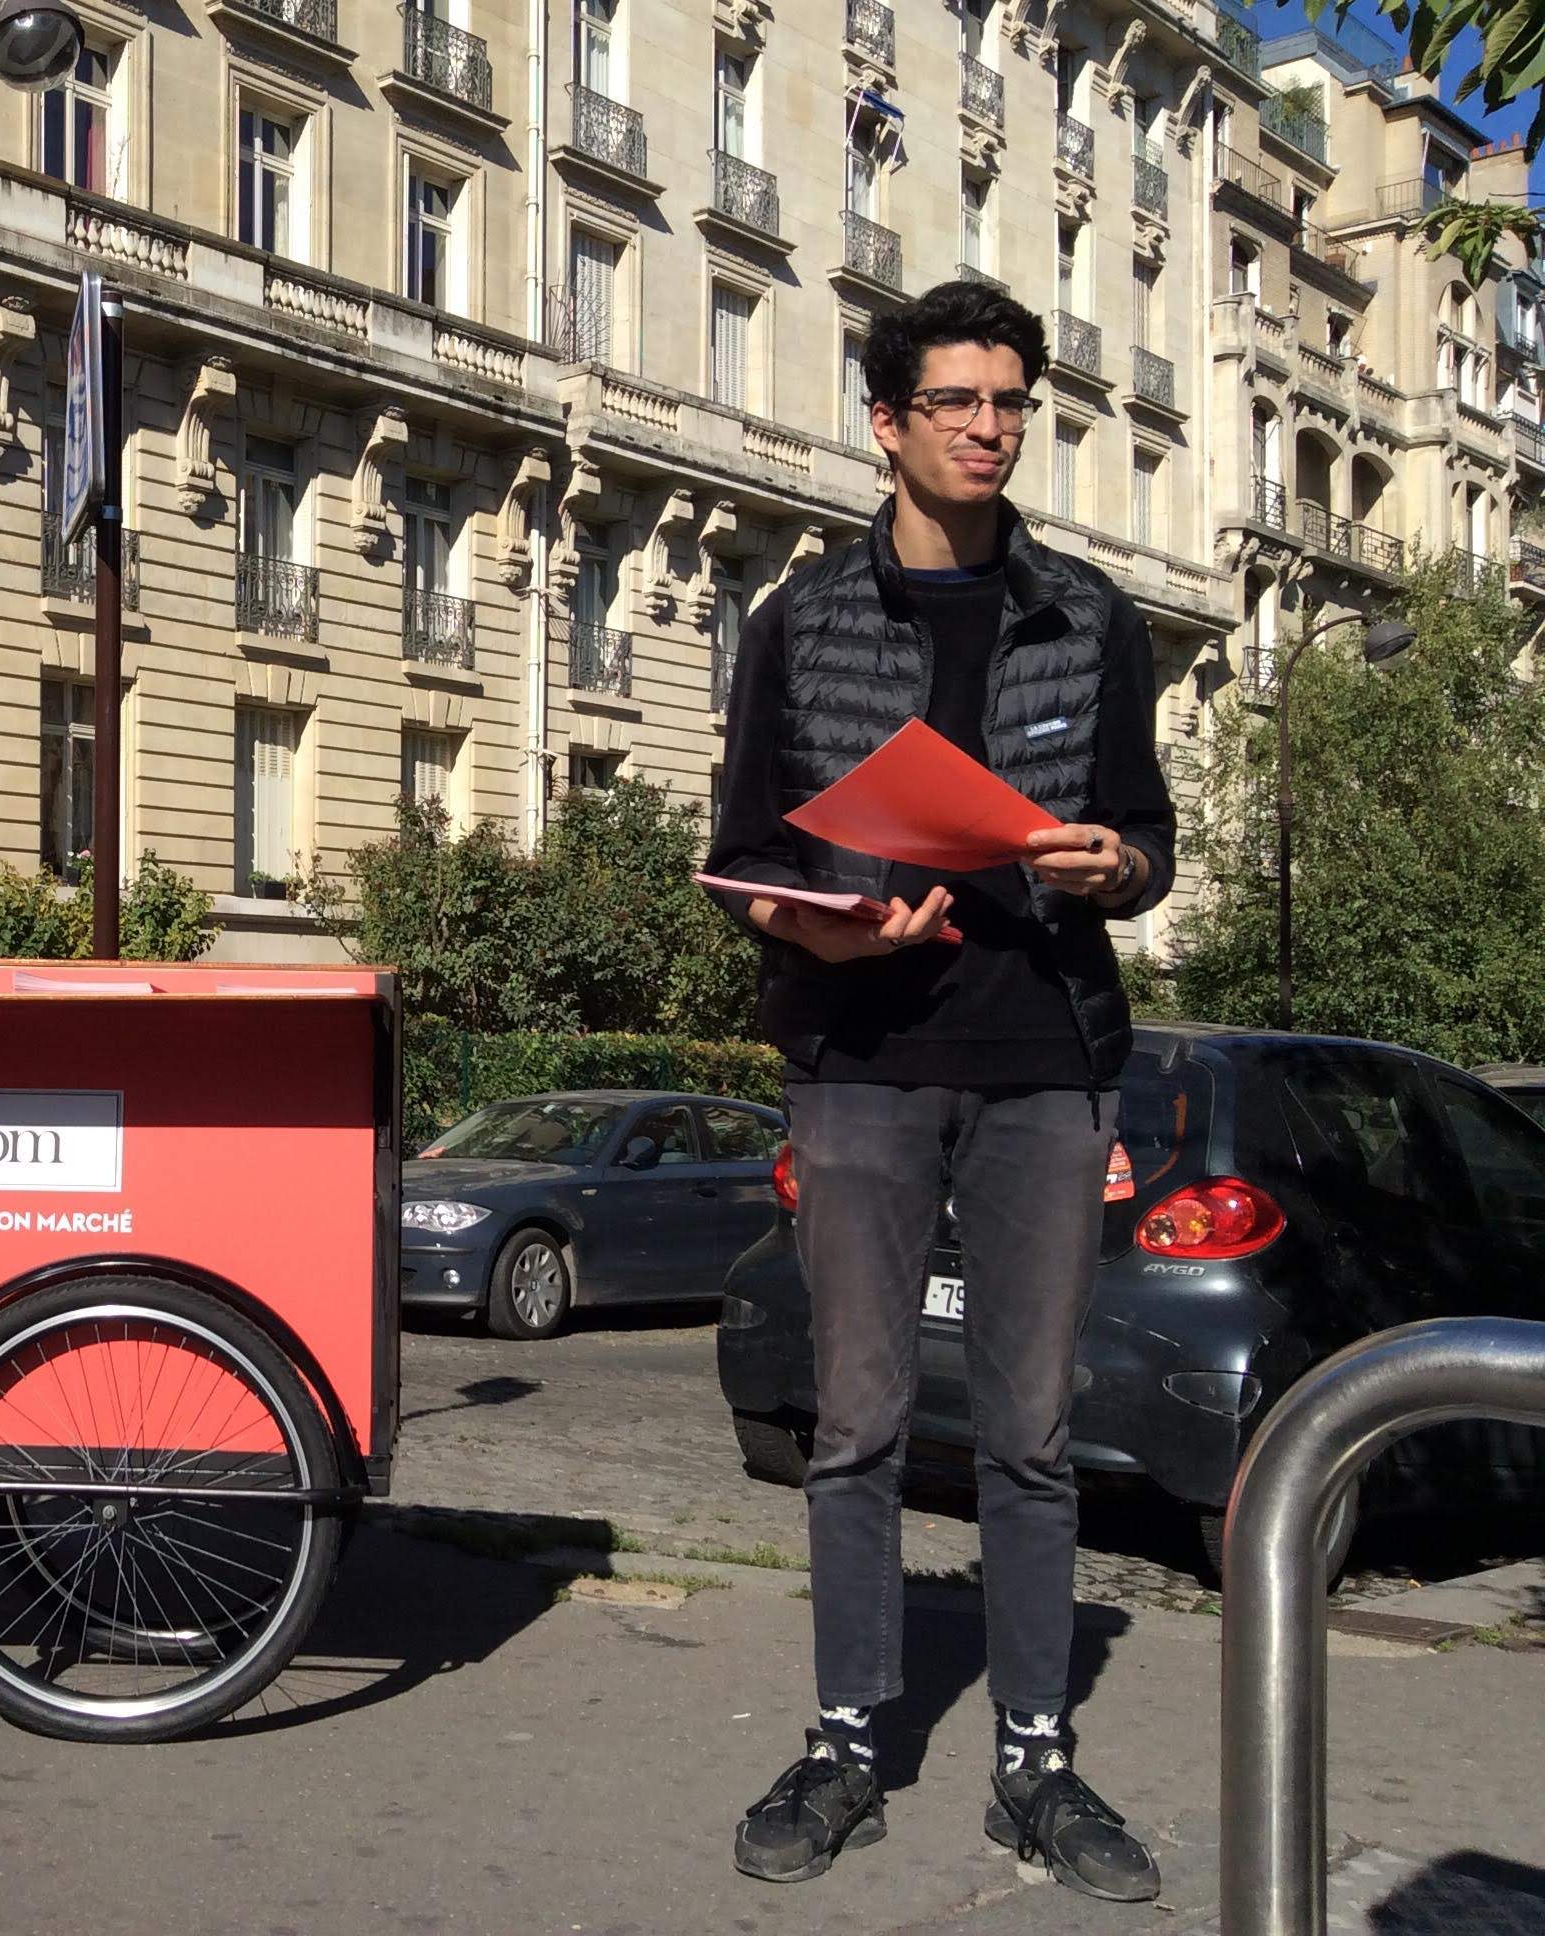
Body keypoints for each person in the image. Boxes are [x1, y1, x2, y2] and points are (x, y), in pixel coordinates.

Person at [704, 280, 1173, 1904]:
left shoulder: (1094, 616)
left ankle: (1036, 1762)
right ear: (889, 422)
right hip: (861, 1055)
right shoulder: (802, 620)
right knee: (858, 1426)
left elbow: (1148, 842)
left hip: (1045, 1056)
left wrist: (1116, 866)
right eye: (959, 400)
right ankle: (847, 1743)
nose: (991, 426)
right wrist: (824, 918)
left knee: (1034, 1435)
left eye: (1012, 401)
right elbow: (746, 853)